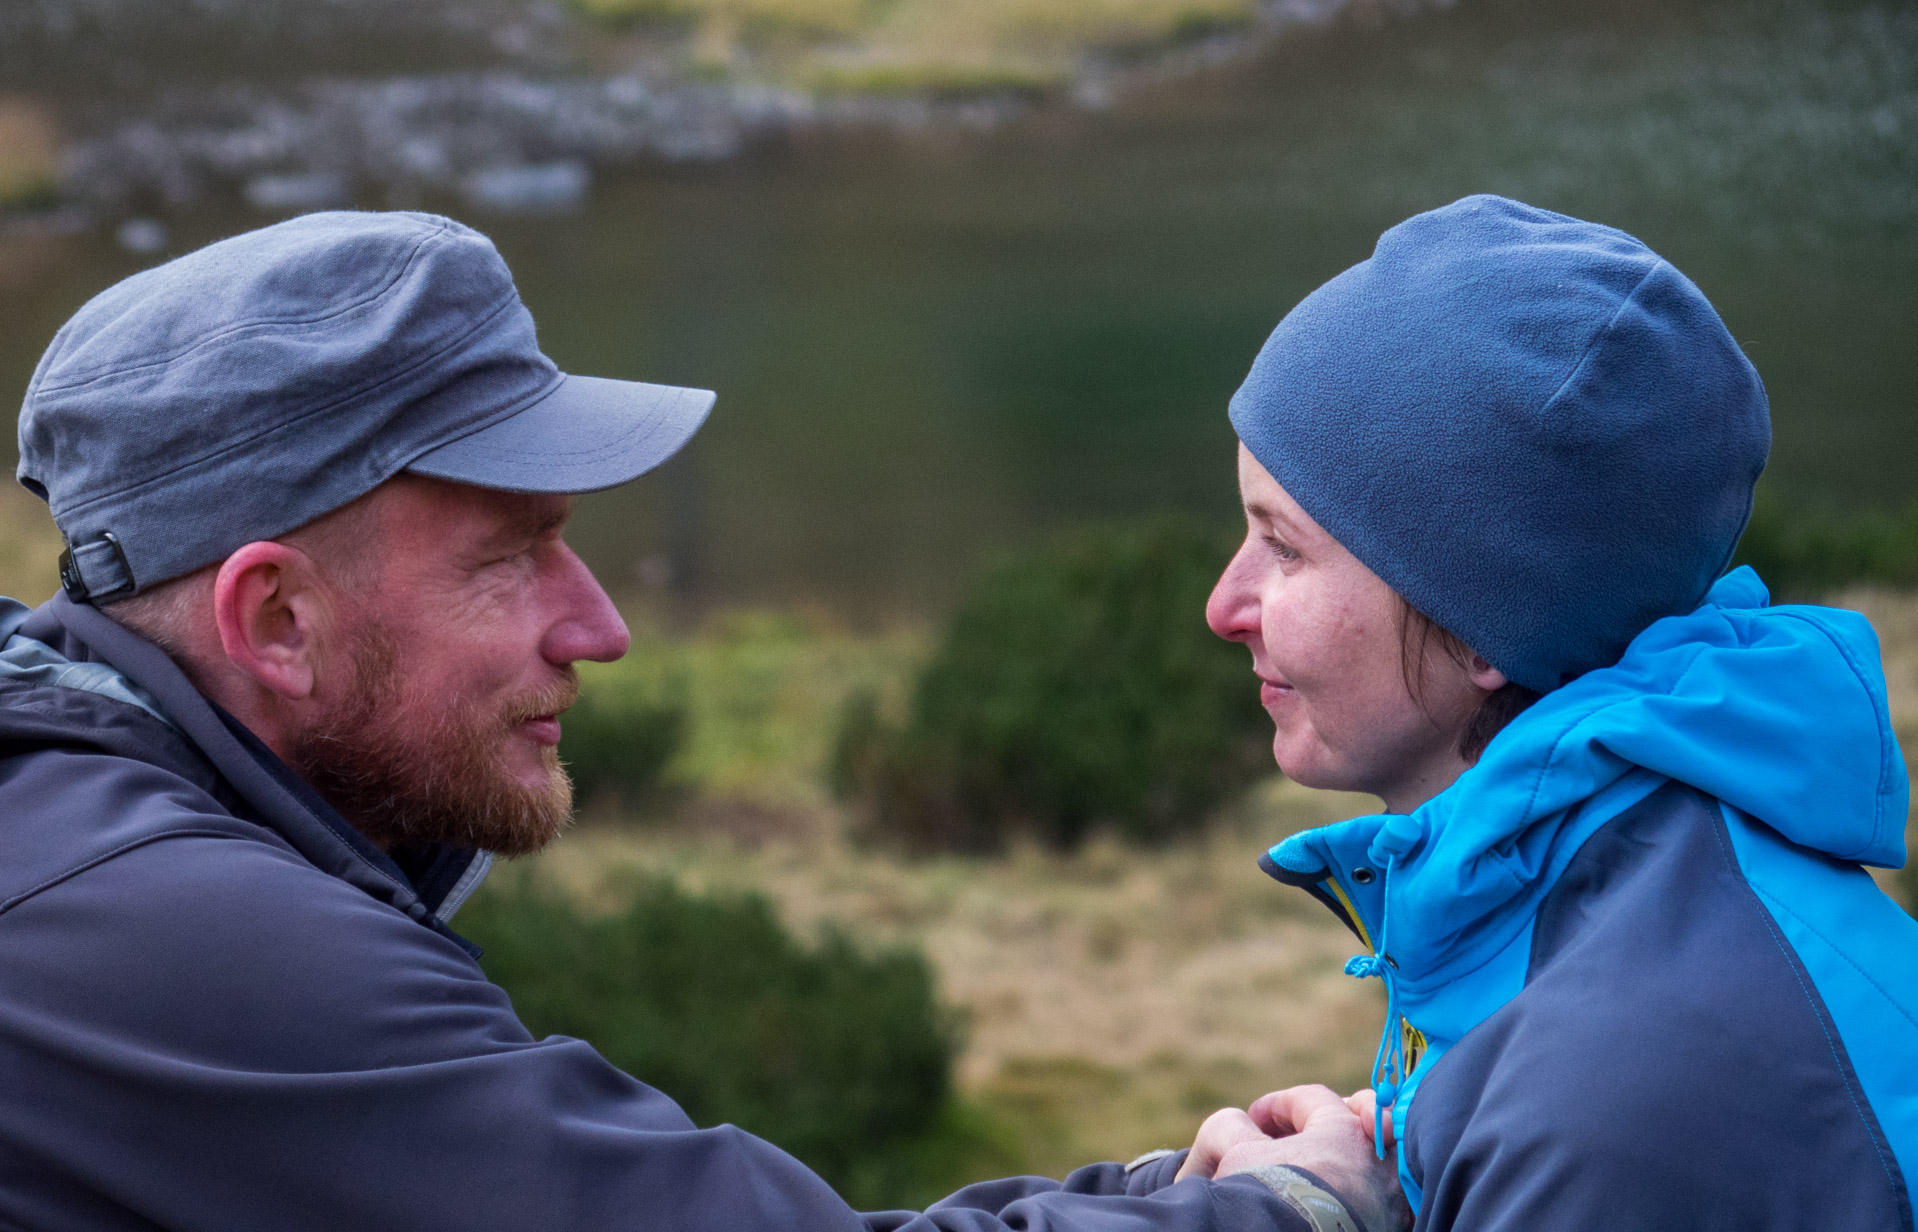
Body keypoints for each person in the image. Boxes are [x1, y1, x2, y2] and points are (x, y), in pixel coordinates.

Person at [0, 210, 1394, 1232]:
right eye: (508, 558)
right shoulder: (181, 938)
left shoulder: (75, 843)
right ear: (275, 623)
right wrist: (1288, 1217)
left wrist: (1168, 1196)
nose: (598, 627)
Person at [1182, 195, 1918, 1229]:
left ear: (1485, 626)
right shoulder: (1595, 900)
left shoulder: (1622, 1096)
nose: (1223, 605)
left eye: (1285, 545)